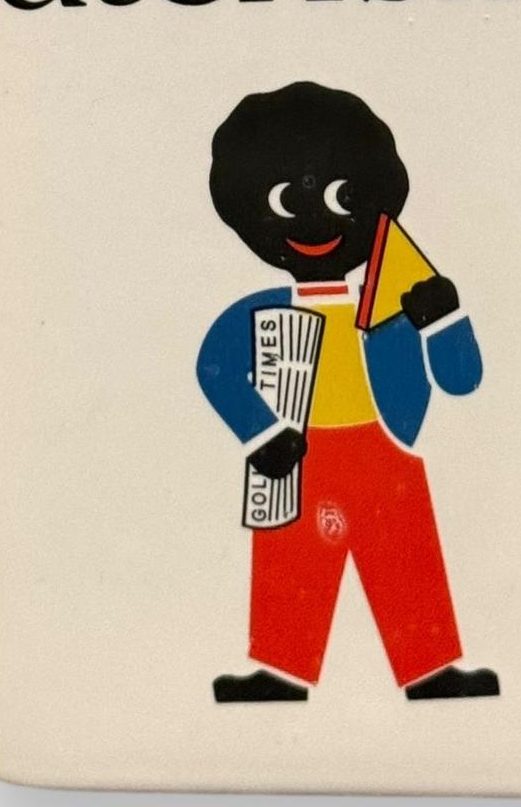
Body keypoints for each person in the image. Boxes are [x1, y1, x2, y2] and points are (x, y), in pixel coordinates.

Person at [197, 81, 499, 702]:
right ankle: (280, 669)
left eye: (344, 197)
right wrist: (261, 432)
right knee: (290, 560)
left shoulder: (392, 305)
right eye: (286, 201)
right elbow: (216, 368)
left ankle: (431, 666)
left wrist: (444, 319)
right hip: (296, 453)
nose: (317, 219)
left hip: (386, 452)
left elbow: (462, 379)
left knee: (405, 555)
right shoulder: (259, 313)